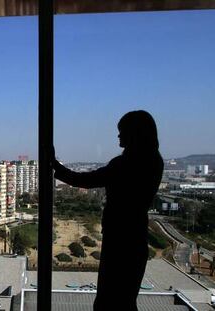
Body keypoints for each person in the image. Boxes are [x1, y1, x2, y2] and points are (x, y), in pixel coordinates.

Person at [52, 110, 163, 311]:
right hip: (136, 239)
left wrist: (55, 166)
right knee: (125, 301)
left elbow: (85, 180)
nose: (118, 136)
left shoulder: (125, 164)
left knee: (108, 301)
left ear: (134, 133)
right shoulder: (154, 161)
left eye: (122, 131)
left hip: (120, 240)